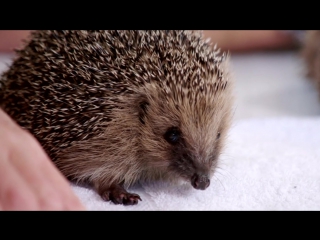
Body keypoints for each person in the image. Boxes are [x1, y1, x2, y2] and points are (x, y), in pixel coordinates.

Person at [0, 30, 301, 210]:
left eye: (217, 136)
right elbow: (84, 159)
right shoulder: (113, 130)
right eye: (173, 137)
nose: (202, 171)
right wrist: (107, 182)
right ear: (141, 113)